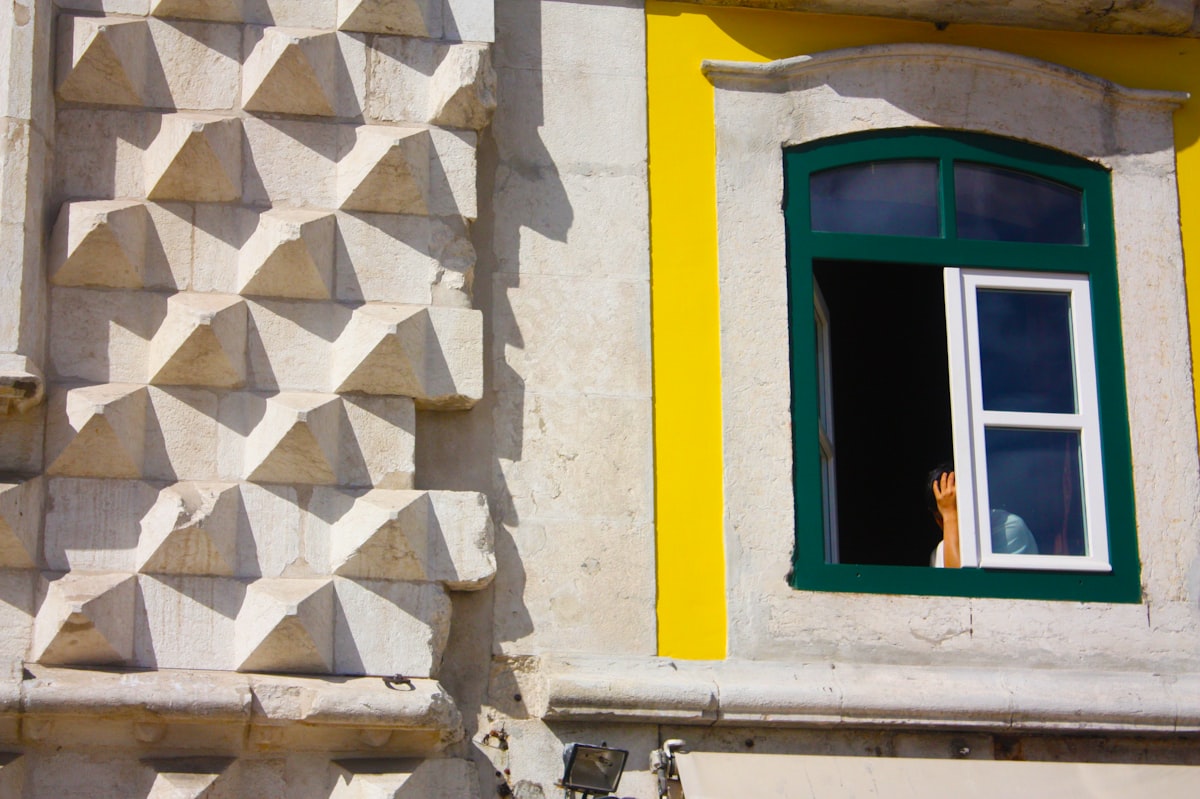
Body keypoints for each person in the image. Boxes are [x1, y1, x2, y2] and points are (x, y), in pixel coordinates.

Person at [926, 463, 1038, 568]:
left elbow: (961, 584)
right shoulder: (941, 551)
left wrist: (950, 515)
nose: (946, 524)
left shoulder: (1008, 528)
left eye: (955, 513)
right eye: (941, 517)